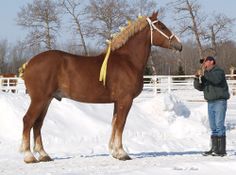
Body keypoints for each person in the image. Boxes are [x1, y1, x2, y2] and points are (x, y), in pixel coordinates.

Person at [194, 56, 230, 156]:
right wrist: (197, 78)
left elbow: (216, 80)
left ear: (211, 62)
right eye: (203, 62)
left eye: (205, 62)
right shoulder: (207, 75)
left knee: (219, 125)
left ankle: (221, 150)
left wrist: (204, 73)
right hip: (210, 102)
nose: (203, 64)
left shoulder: (219, 71)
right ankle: (214, 149)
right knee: (213, 127)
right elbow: (200, 87)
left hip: (219, 102)